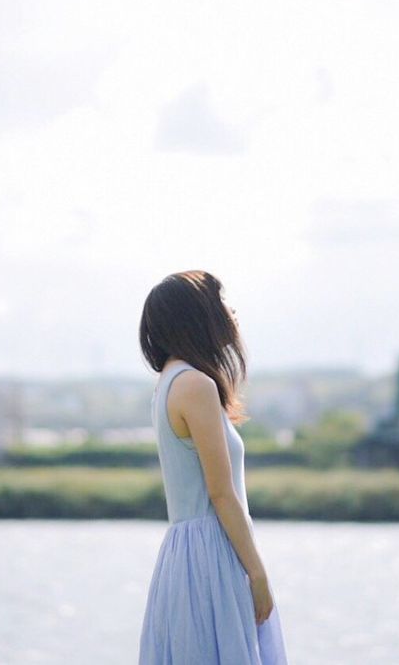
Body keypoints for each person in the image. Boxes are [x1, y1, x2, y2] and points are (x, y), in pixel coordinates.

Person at [137, 270, 289, 664]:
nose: (230, 310)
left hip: (187, 554)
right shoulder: (194, 385)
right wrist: (257, 573)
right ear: (196, 315)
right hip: (212, 554)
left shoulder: (170, 381)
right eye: (219, 301)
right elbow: (220, 493)